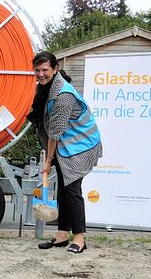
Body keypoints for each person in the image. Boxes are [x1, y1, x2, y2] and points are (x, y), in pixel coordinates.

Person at [28, 51, 103, 254]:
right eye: (37, 70)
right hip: (67, 145)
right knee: (63, 190)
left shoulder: (63, 95)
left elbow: (55, 132)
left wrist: (48, 160)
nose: (41, 74)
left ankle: (79, 239)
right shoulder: (47, 89)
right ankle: (62, 235)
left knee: (72, 191)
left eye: (45, 70)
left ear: (55, 69)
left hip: (82, 145)